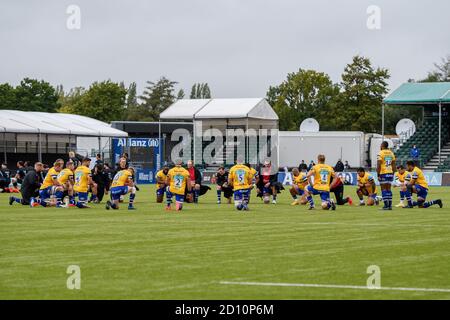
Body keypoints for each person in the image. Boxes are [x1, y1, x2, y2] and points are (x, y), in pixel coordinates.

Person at [377, 141, 396, 210]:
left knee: (383, 189)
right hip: (390, 172)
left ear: (382, 145)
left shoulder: (380, 153)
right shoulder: (391, 153)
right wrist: (393, 173)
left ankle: (386, 206)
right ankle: (390, 205)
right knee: (388, 189)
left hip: (383, 173)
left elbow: (379, 164)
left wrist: (378, 174)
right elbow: (394, 164)